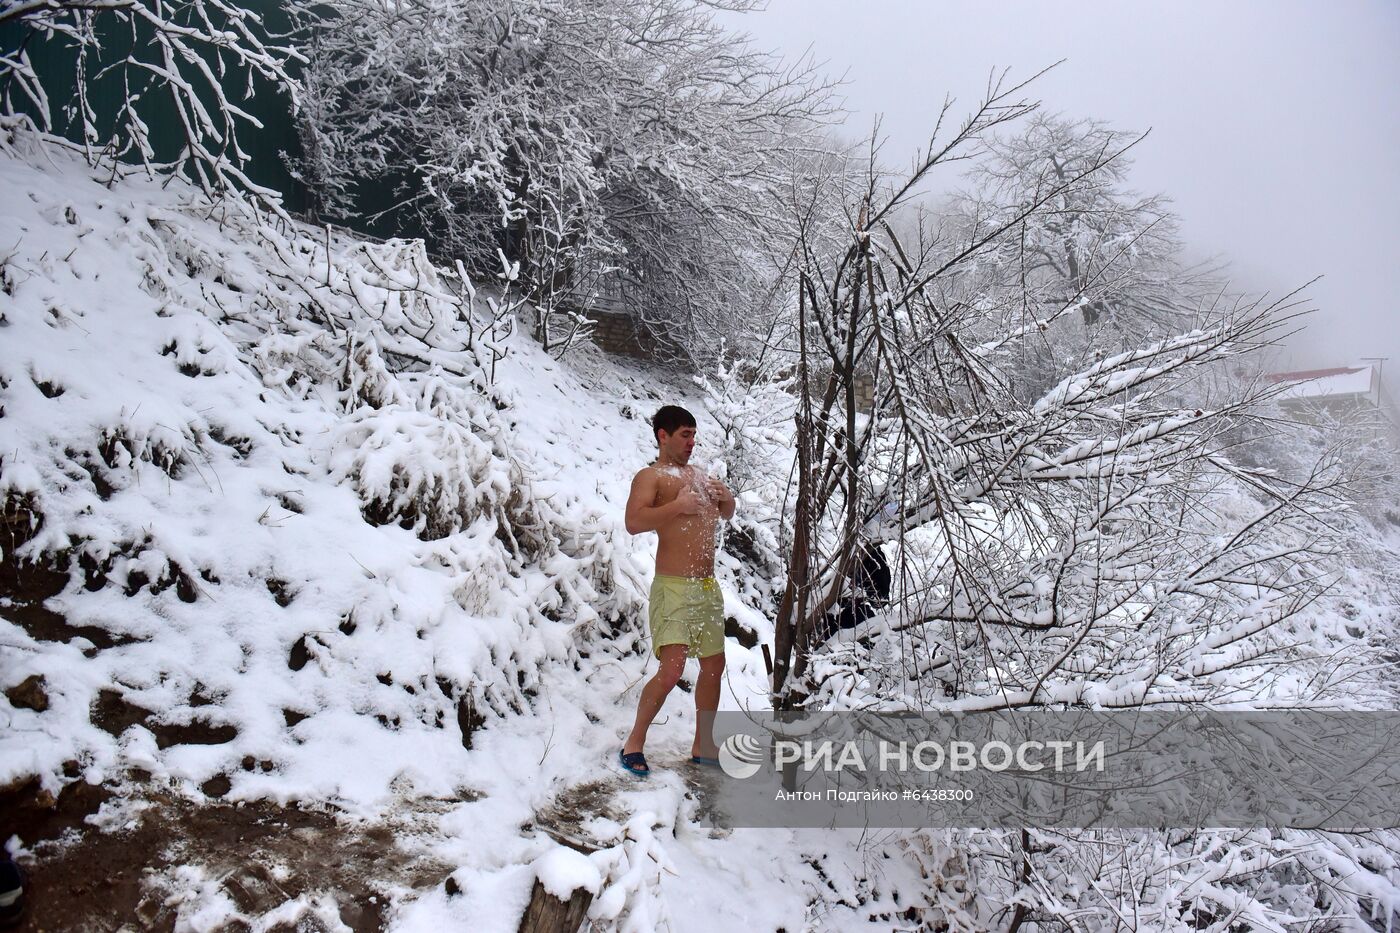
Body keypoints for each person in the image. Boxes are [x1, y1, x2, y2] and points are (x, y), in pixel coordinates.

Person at [619, 405, 735, 776]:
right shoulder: (650, 476)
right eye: (685, 435)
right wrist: (677, 505)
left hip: (706, 587)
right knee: (671, 671)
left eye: (694, 435)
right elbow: (634, 522)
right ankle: (634, 741)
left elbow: (723, 514)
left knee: (714, 665)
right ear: (663, 435)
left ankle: (704, 744)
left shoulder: (699, 476)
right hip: (673, 586)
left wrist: (727, 499)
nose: (691, 442)